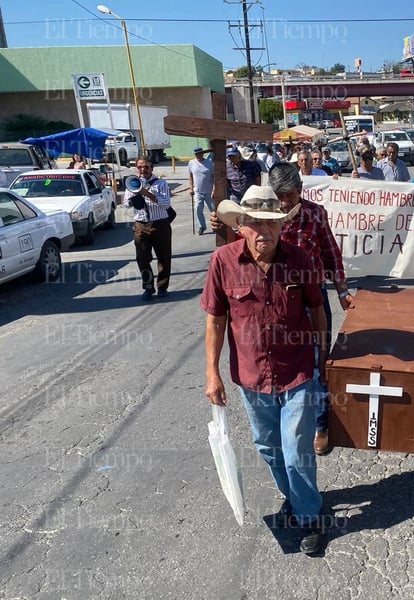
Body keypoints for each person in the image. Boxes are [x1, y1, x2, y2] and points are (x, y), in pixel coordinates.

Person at [202, 185, 327, 555]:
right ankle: (295, 496)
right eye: (256, 224)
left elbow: (317, 309)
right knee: (269, 448)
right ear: (241, 225)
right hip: (252, 376)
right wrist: (212, 373)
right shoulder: (223, 261)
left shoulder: (300, 259)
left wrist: (325, 357)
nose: (264, 232)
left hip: (298, 370)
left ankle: (308, 517)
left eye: (272, 225)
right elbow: (215, 321)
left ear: (282, 227)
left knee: (295, 450)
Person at [268, 162, 355, 455]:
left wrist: (342, 290)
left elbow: (331, 254)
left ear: (300, 191)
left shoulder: (316, 215)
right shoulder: (264, 217)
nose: (283, 203)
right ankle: (290, 420)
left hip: (314, 299)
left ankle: (321, 424)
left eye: (289, 196)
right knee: (283, 361)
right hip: (278, 303)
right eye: (279, 196)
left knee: (319, 361)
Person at [123, 156, 173, 300]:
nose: (143, 170)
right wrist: (134, 194)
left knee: (164, 257)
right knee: (142, 258)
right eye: (140, 167)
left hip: (160, 224)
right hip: (141, 224)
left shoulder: (160, 183)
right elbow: (125, 204)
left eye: (146, 167)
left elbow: (165, 204)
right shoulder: (133, 182)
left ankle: (162, 287)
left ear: (152, 168)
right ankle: (148, 287)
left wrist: (148, 194)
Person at [188, 147, 214, 235]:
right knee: (198, 209)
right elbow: (191, 176)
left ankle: (215, 225)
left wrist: (214, 189)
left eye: (200, 153)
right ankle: (202, 226)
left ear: (202, 153)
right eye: (196, 154)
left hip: (209, 191)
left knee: (213, 210)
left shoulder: (210, 163)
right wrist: (191, 188)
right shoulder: (191, 163)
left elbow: (214, 177)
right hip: (198, 191)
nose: (198, 155)